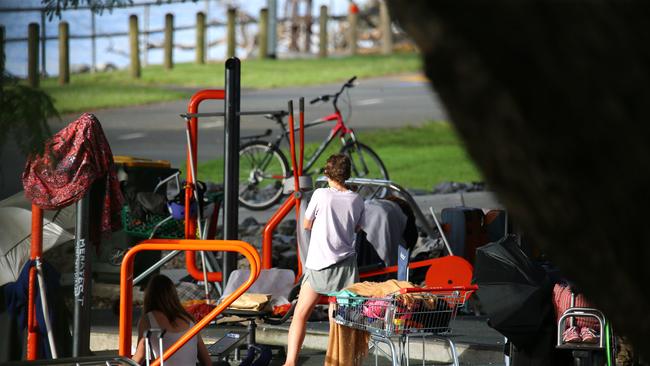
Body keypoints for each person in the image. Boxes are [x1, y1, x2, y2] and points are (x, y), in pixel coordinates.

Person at [283, 154, 365, 366]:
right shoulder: (356, 199)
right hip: (345, 266)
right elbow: (358, 228)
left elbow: (307, 224)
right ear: (347, 175)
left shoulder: (320, 194)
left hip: (319, 263)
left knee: (301, 313)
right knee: (336, 319)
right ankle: (335, 361)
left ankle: (291, 361)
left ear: (328, 173)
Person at [132, 274, 212, 366]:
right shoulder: (189, 319)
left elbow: (139, 357)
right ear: (173, 294)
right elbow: (207, 361)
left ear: (149, 295)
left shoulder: (148, 319)